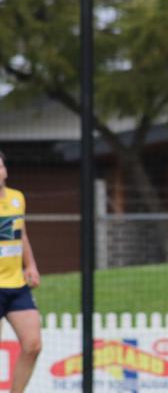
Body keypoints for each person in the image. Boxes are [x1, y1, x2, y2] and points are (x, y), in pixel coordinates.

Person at [0, 151, 42, 392]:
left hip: (16, 286)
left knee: (33, 344)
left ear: (5, 170)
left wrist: (31, 265)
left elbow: (21, 234)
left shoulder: (17, 198)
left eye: (0, 166)